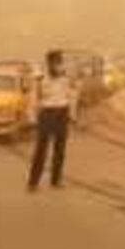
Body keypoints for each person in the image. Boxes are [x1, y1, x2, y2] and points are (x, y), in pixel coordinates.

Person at [27, 50, 75, 191]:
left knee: (60, 149)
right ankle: (33, 182)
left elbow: (71, 96)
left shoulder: (66, 78)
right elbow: (33, 99)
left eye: (60, 62)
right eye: (55, 62)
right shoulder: (40, 79)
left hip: (62, 113)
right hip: (47, 113)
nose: (58, 65)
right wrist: (32, 117)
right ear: (49, 64)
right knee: (41, 149)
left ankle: (56, 180)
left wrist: (72, 115)